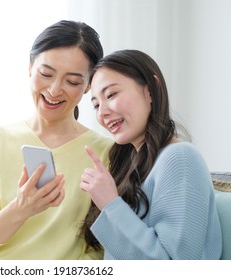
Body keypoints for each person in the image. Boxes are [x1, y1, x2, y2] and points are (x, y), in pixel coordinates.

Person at [0, 20, 113, 259]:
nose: (54, 90)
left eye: (72, 81)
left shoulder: (105, 152)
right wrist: (22, 208)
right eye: (46, 74)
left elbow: (101, 248)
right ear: (30, 67)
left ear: (88, 86)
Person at [80, 49, 222, 260]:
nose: (102, 113)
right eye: (96, 105)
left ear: (151, 90)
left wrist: (110, 204)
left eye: (111, 95)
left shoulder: (179, 158)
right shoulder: (137, 167)